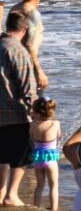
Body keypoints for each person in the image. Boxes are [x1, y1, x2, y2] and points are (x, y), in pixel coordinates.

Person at [0, 11, 36, 208]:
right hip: (15, 115)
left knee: (2, 156)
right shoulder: (18, 51)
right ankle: (11, 194)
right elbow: (27, 89)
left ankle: (1, 193)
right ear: (25, 29)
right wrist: (40, 116)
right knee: (20, 157)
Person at [29, 97, 59, 211]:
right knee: (54, 186)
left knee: (39, 186)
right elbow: (58, 135)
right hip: (50, 159)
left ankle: (36, 207)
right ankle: (54, 208)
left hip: (38, 158)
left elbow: (31, 137)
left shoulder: (33, 125)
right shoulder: (55, 124)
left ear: (36, 111)